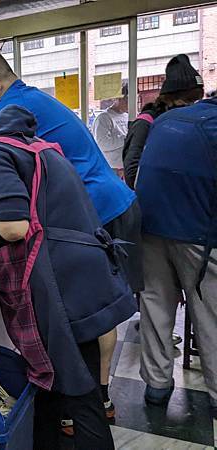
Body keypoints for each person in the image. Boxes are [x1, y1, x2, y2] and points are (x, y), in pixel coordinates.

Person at [0, 102, 136, 449]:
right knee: (56, 386)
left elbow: (12, 226)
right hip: (80, 271)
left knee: (80, 393)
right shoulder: (23, 141)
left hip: (58, 282)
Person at [0, 49, 141, 422]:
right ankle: (92, 400)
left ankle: (93, 401)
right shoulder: (29, 100)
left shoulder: (5, 112)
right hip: (102, 198)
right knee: (93, 309)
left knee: (92, 310)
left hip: (96, 206)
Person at [136, 96, 217, 419]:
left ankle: (156, 386)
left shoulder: (168, 121)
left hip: (149, 225)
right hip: (197, 234)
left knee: (155, 306)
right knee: (209, 314)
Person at [122, 54, 204, 189]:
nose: (192, 107)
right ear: (169, 98)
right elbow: (132, 174)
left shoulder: (183, 124)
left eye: (196, 101)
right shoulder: (146, 123)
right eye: (188, 101)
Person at [92, 83, 129, 177]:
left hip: (126, 167)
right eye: (127, 99)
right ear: (118, 98)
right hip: (112, 169)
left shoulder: (127, 116)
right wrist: (128, 138)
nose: (130, 103)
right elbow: (102, 143)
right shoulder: (104, 118)